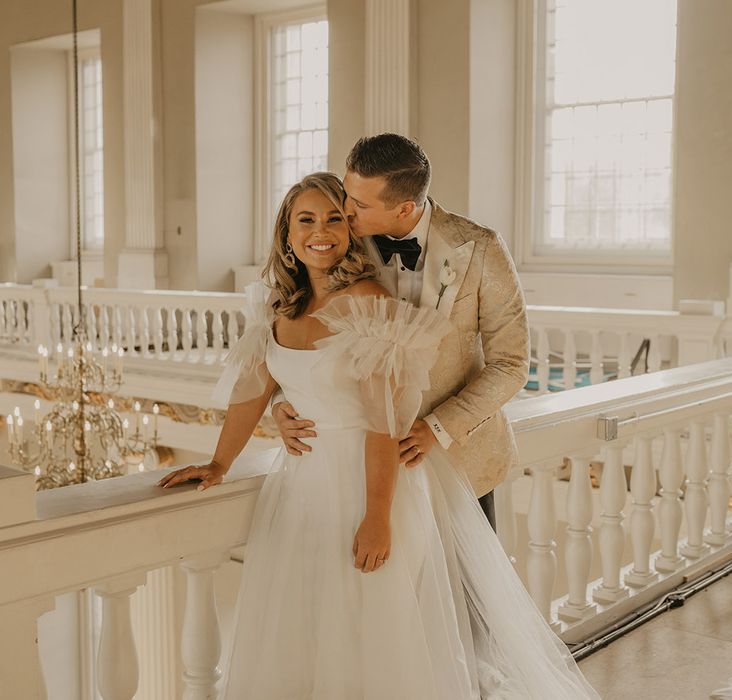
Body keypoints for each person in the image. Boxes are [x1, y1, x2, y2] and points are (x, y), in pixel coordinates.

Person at [158, 171, 600, 699]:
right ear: (286, 231)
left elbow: (380, 422)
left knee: (376, 635)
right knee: (309, 628)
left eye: (334, 219)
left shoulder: (369, 304)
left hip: (372, 485)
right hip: (301, 491)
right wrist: (219, 464)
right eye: (306, 219)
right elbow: (252, 391)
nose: (320, 230)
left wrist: (375, 518)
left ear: (350, 230)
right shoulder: (277, 307)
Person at [270, 133, 529, 530]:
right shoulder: (337, 241)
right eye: (347, 193)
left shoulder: (480, 248)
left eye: (358, 203)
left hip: (456, 459)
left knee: (467, 591)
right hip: (359, 465)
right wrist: (283, 404)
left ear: (405, 207)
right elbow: (299, 325)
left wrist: (438, 428)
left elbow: (511, 364)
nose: (344, 209)